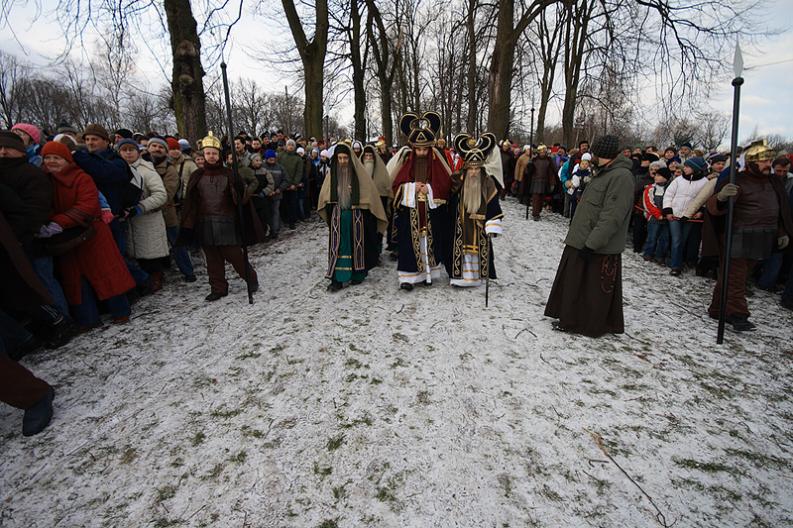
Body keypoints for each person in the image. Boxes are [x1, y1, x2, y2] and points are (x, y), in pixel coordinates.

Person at [544, 134, 635, 337]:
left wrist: (592, 244)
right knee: (575, 284)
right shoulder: (604, 172)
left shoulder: (620, 177)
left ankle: (587, 324)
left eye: (594, 153)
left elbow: (612, 216)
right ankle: (571, 319)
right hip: (581, 240)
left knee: (592, 289)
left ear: (604, 154)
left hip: (596, 245)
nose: (591, 156)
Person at [40, 141, 135, 329]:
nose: (52, 162)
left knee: (106, 273)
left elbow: (88, 204)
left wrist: (59, 221)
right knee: (75, 280)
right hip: (66, 239)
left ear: (67, 159)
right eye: (47, 158)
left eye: (56, 158)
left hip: (92, 234)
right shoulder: (43, 180)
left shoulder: (81, 177)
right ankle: (88, 318)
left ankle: (120, 311)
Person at [707, 140, 793, 331]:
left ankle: (716, 308)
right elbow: (714, 208)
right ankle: (738, 315)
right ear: (752, 161)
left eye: (769, 160)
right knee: (737, 278)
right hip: (738, 237)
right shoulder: (738, 180)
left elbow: (777, 211)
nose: (768, 164)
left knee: (733, 276)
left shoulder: (774, 182)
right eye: (763, 160)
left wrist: (782, 232)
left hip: (762, 238)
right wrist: (721, 197)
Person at [178, 133, 263, 301]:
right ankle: (218, 288)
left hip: (226, 223)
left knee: (235, 256)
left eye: (214, 153)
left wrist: (239, 189)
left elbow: (242, 200)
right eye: (208, 153)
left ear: (219, 155)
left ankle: (251, 280)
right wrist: (189, 224)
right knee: (213, 260)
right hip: (205, 223)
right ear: (203, 155)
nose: (211, 156)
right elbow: (192, 203)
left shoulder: (230, 174)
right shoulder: (197, 176)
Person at [390, 111, 453, 290]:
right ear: (414, 149)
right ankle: (409, 278)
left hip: (431, 211)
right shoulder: (406, 162)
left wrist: (430, 189)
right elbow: (396, 185)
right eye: (418, 149)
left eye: (425, 149)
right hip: (410, 211)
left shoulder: (437, 162)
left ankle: (428, 275)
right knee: (409, 244)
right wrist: (411, 187)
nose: (422, 152)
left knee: (429, 242)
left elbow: (445, 184)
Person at [317, 143, 387, 291]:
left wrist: (355, 193)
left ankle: (357, 274)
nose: (342, 161)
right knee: (339, 247)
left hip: (356, 218)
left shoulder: (360, 175)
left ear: (350, 158)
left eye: (345, 158)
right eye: (340, 158)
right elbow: (325, 197)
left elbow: (369, 196)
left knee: (357, 246)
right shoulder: (332, 176)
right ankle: (338, 279)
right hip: (338, 217)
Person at [446, 133, 504, 287]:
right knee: (460, 248)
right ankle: (460, 277)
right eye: (470, 168)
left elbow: (493, 205)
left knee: (478, 249)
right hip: (461, 224)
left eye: (476, 169)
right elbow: (450, 200)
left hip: (480, 226)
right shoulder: (457, 180)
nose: (473, 172)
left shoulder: (487, 182)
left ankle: (477, 276)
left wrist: (492, 223)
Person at [117, 139, 170, 292]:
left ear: (138, 152)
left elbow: (160, 195)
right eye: (124, 150)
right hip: (129, 222)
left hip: (147, 221)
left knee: (150, 256)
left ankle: (155, 281)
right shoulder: (118, 170)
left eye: (131, 149)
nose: (128, 153)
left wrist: (141, 206)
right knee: (136, 257)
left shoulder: (146, 171)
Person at [148, 137, 196, 282]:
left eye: (160, 147)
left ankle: (188, 271)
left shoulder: (170, 169)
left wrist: (149, 206)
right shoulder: (145, 166)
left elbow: (168, 193)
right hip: (148, 217)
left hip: (167, 212)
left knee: (177, 243)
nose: (157, 149)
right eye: (153, 146)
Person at [663, 156, 709, 276]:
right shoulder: (678, 180)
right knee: (677, 240)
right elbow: (668, 194)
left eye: (688, 166)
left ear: (695, 168)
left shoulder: (705, 182)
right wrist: (668, 210)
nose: (685, 168)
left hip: (690, 216)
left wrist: (701, 211)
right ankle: (675, 266)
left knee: (683, 240)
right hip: (674, 215)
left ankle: (678, 261)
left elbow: (706, 198)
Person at [642, 165, 672, 263]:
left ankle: (659, 255)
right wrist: (657, 214)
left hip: (666, 217)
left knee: (664, 238)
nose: (656, 177)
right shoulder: (650, 188)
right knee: (652, 236)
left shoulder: (669, 189)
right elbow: (648, 203)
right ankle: (648, 253)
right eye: (656, 175)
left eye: (659, 175)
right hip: (654, 217)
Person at [526, 145, 557, 221]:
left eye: (544, 152)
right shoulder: (534, 160)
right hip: (536, 181)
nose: (542, 153)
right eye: (541, 152)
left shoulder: (549, 161)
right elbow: (528, 172)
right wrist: (529, 164)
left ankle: (538, 212)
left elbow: (551, 173)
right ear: (538, 152)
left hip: (544, 182)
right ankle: (535, 214)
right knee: (536, 199)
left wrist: (552, 183)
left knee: (541, 199)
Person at [278, 139, 303, 229]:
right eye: (289, 145)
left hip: (292, 185)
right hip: (282, 184)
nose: (290, 147)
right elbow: (278, 169)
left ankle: (292, 222)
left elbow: (299, 172)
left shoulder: (298, 158)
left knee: (292, 204)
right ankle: (284, 220)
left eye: (292, 145)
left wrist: (295, 184)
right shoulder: (281, 156)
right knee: (283, 204)